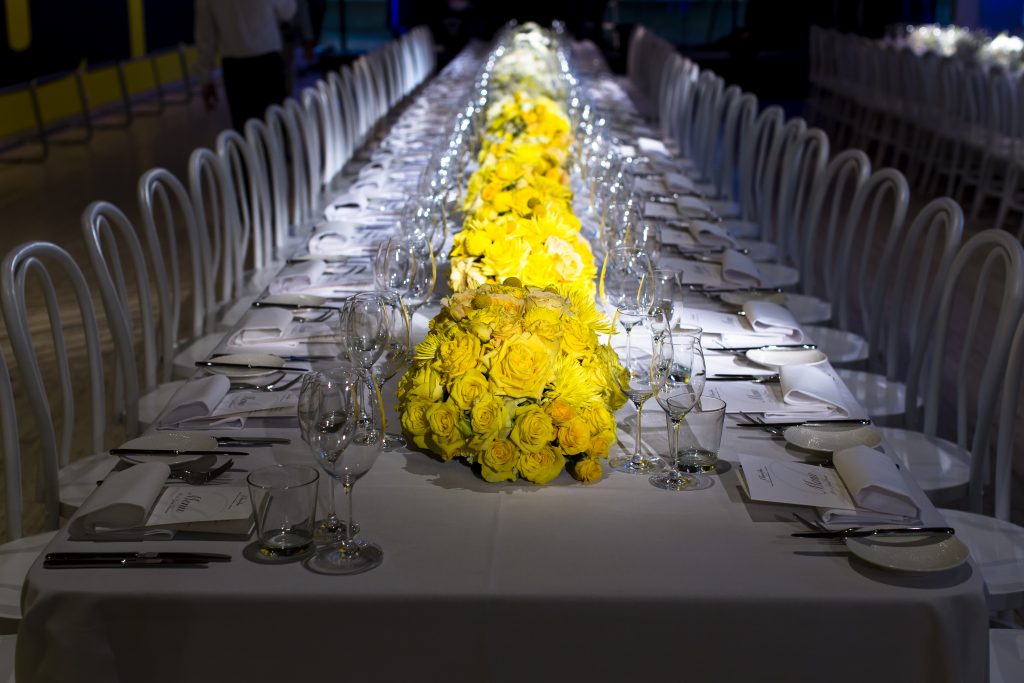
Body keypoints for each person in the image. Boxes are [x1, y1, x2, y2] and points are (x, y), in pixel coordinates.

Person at [195, 0, 298, 132]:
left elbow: (206, 37)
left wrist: (205, 77)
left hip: (235, 70)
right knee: (276, 128)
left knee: (246, 130)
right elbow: (288, 11)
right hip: (268, 65)